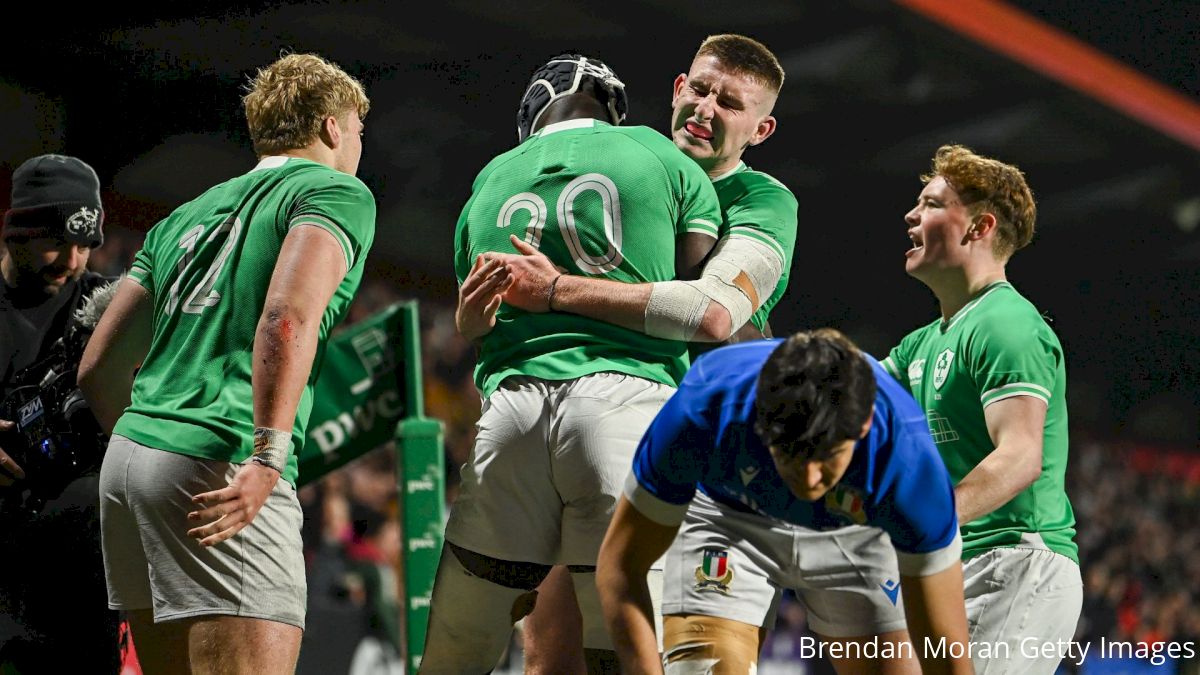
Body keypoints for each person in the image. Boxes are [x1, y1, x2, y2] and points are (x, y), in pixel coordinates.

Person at [490, 33, 798, 671]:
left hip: (717, 469)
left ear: (760, 129)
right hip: (605, 443)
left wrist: (557, 290)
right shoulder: (620, 167)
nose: (707, 109)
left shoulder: (764, 202)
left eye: (731, 104)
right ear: (679, 90)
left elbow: (715, 313)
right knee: (552, 655)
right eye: (701, 89)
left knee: (690, 662)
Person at [421, 52, 723, 674]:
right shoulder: (658, 153)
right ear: (611, 108)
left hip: (511, 411)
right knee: (625, 647)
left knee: (457, 650)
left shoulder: (489, 179)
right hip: (626, 401)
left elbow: (472, 315)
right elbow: (694, 277)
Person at [77, 52, 375, 674]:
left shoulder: (183, 215)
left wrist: (152, 450)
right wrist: (267, 455)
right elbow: (286, 317)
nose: (359, 146)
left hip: (130, 462)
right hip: (222, 459)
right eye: (359, 130)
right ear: (330, 127)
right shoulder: (335, 192)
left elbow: (99, 368)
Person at [598, 329, 974, 675]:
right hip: (729, 521)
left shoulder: (908, 462)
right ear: (760, 422)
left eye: (826, 455)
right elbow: (621, 567)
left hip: (857, 535)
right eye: (793, 453)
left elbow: (944, 650)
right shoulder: (706, 408)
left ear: (862, 428)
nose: (809, 480)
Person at [881, 144, 1081, 672]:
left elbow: (1019, 457)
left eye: (929, 203)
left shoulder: (1006, 322)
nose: (911, 215)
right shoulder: (920, 344)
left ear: (978, 227)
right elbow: (841, 391)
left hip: (1014, 560)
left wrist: (924, 520)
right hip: (953, 563)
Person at [0, 153, 122, 672]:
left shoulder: (105, 306)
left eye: (85, 245)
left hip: (71, 561)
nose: (73, 260)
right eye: (56, 241)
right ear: (16, 233)